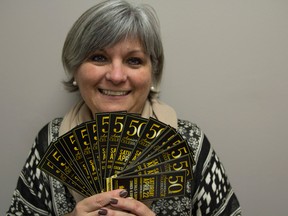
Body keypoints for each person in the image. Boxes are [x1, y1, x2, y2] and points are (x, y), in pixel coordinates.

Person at [6, 0, 241, 215]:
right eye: (99, 57)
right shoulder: (50, 142)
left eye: (134, 60)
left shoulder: (192, 144)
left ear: (153, 73)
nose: (117, 76)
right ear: (75, 68)